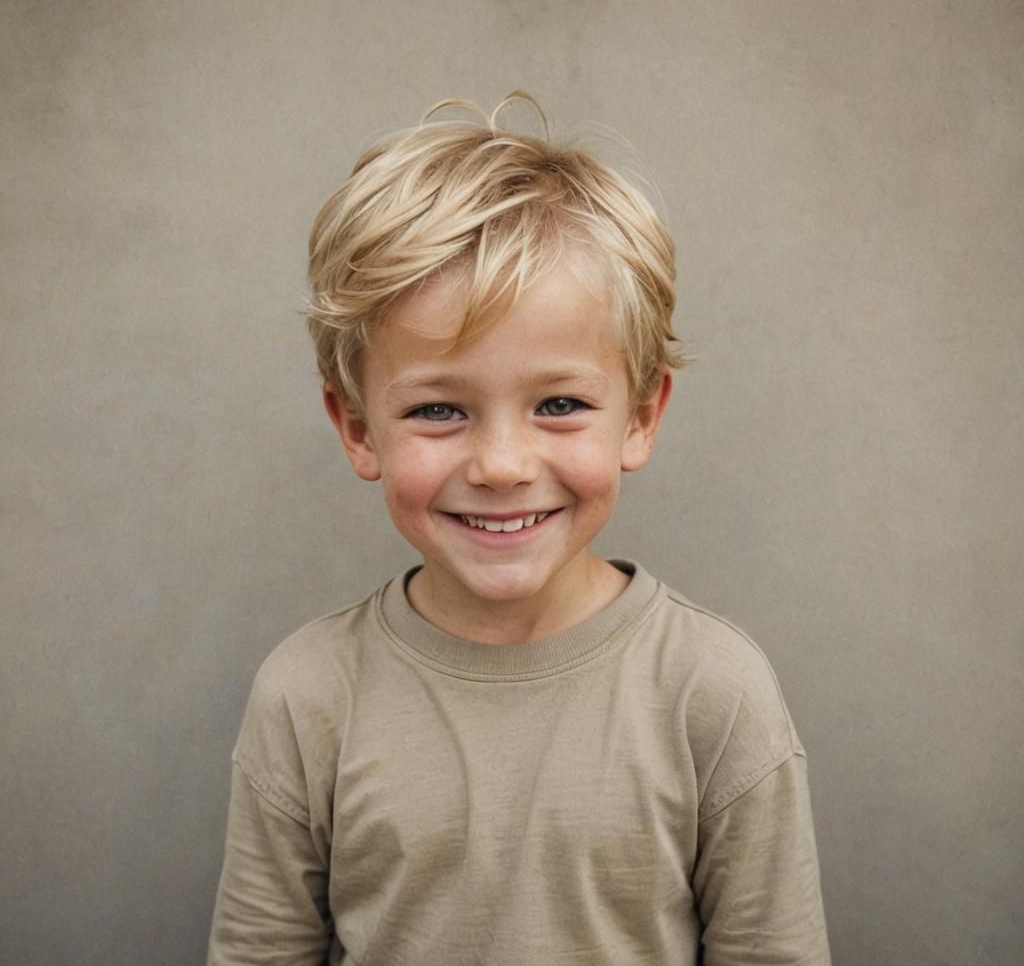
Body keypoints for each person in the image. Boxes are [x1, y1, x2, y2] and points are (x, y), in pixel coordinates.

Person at [207, 94, 831, 965]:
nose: (501, 463)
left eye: (560, 404)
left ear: (642, 415)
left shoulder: (714, 695)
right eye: (438, 408)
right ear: (356, 428)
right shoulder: (308, 697)